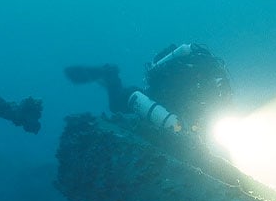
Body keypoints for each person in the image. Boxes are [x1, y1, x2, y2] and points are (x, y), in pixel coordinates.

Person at [64, 43, 232, 135]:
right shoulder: (201, 82)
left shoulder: (216, 89)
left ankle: (111, 76)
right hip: (164, 97)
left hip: (171, 101)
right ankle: (110, 75)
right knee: (117, 105)